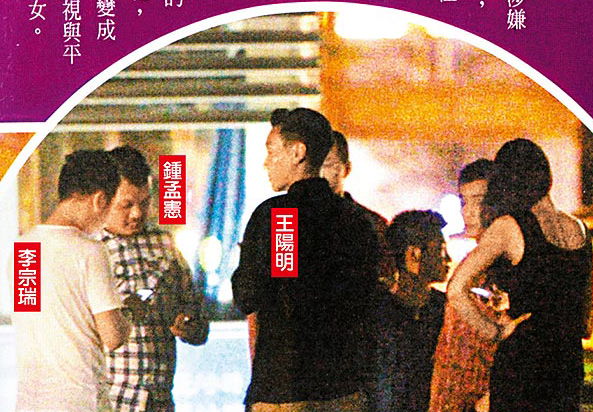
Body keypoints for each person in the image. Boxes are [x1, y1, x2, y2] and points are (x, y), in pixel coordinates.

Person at [232, 108, 380, 411]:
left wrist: (248, 260)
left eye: (272, 150)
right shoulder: (357, 220)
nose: (266, 162)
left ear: (298, 152)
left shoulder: (282, 217)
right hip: (346, 389)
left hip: (288, 388)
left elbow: (251, 296)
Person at [448, 138, 592, 411]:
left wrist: (494, 332)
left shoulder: (510, 227)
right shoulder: (580, 229)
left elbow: (456, 289)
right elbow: (585, 318)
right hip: (567, 364)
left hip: (523, 363)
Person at [10, 150, 129, 412]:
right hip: (79, 401)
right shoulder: (90, 251)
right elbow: (113, 336)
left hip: (30, 402)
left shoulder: (23, 250)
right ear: (99, 200)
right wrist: (128, 316)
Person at [99, 146, 209, 411]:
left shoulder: (164, 244)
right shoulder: (89, 248)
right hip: (109, 402)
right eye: (126, 205)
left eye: (145, 202)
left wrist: (190, 326)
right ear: (102, 199)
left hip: (159, 400)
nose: (137, 213)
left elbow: (197, 318)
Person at [429, 159, 503, 412]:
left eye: (478, 201)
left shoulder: (501, 264)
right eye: (464, 201)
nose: (468, 211)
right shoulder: (472, 260)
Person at [375, 210, 450, 412]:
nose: (448, 259)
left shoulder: (442, 305)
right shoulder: (380, 311)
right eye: (441, 250)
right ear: (414, 254)